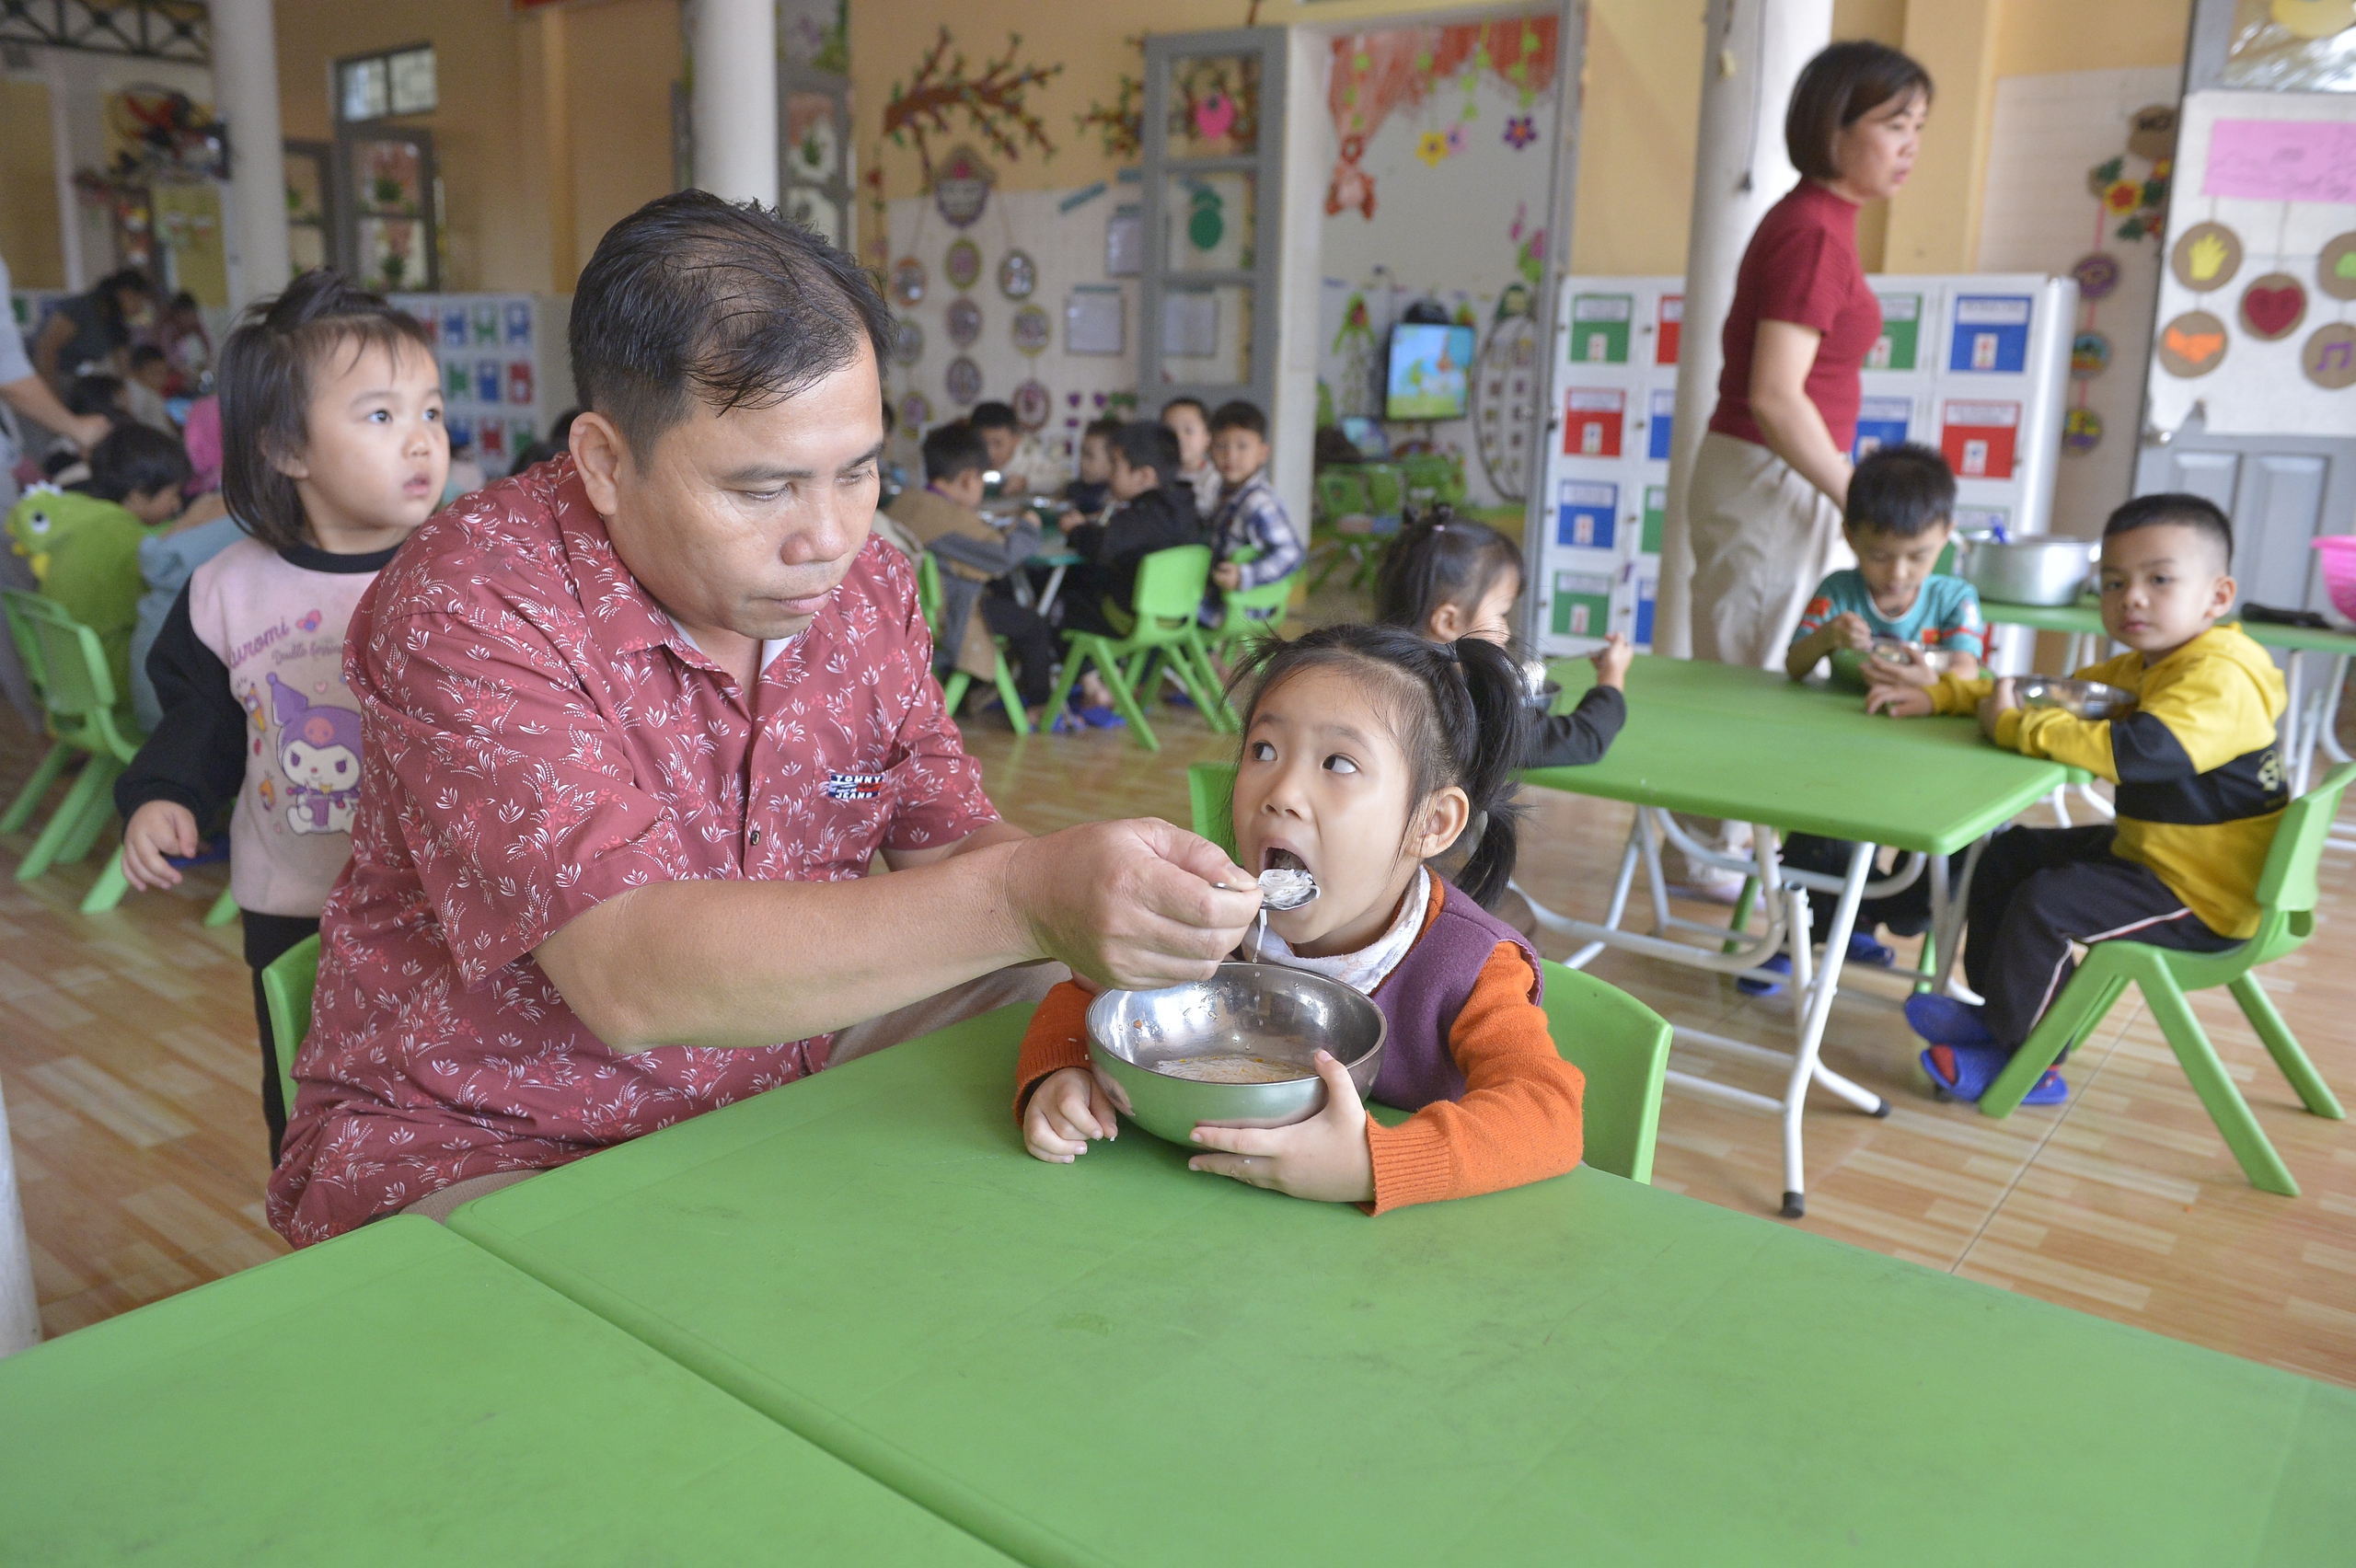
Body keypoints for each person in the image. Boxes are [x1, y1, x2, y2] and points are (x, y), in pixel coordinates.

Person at [265, 192, 1261, 1243]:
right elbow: (629, 971)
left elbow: (951, 839)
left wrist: (1122, 910)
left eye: (861, 471)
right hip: (499, 1133)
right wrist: (1029, 894)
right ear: (606, 462)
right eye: (764, 488)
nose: (828, 538)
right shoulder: (471, 597)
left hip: (786, 1059)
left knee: (1070, 1001)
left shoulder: (870, 585)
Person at [1017, 623, 1586, 1212]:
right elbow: (1087, 996)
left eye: (1338, 763)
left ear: (1432, 823)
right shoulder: (1211, 916)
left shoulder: (1470, 970)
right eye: (1264, 750)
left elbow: (1548, 1111)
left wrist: (1373, 1165)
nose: (1282, 790)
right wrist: (1062, 1071)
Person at [114, 270, 450, 1164]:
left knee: (442, 1096)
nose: (420, 441)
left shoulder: (463, 575)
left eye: (432, 413)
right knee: (308, 1098)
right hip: (293, 903)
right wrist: (164, 793)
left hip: (442, 902)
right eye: (380, 416)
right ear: (287, 448)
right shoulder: (230, 589)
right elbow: (202, 719)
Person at [1866, 495, 2284, 1105]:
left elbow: (2139, 751)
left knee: (2048, 904)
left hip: (2205, 895)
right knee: (2010, 855)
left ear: (2217, 597)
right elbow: (2047, 695)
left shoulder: (2220, 673)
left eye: (2158, 579)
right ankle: (2004, 1015)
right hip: (2163, 857)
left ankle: (2032, 1062)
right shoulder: (2154, 664)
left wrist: (2010, 727)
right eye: (2114, 582)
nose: (2131, 597)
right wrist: (1948, 694)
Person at [1678, 40, 1931, 898]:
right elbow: (1778, 396)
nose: (1911, 145)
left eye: (1920, 127)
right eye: (1895, 124)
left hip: (1775, 476)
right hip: (1766, 474)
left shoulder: (1823, 225)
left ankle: (1736, 858)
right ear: (1835, 126)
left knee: (1761, 664)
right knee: (1753, 676)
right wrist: (1864, 501)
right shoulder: (1815, 233)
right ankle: (1728, 867)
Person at [1744, 444, 1981, 994]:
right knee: (1814, 835)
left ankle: (1869, 918)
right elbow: (1795, 665)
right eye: (1879, 555)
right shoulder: (1839, 592)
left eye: (1917, 556)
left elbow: (1967, 672)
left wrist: (1929, 678)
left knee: (1950, 845)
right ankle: (1794, 939)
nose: (1898, 573)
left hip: (1927, 755)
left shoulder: (1953, 598)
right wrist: (1827, 638)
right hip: (1838, 750)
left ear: (1946, 533)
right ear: (1850, 537)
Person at [1375, 512, 1628, 770]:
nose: (1506, 631)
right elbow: (1582, 740)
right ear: (1448, 622)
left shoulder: (1371, 671)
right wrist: (1611, 679)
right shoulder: (1471, 709)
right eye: (1502, 614)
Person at [6, 423, 189, 717]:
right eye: (174, 493)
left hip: (72, 681)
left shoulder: (86, 522)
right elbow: (156, 609)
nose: (177, 503)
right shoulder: (121, 537)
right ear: (139, 493)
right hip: (115, 680)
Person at [884, 420, 1058, 723]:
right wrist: (1029, 527)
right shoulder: (950, 520)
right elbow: (1003, 556)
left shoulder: (906, 501)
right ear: (968, 479)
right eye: (981, 481)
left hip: (902, 613)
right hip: (947, 615)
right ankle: (1039, 704)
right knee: (1031, 624)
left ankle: (975, 691)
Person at [1057, 421, 1203, 640]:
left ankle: (1089, 672)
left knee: (1068, 603)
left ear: (1144, 476)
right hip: (1179, 615)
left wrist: (1075, 530)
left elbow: (1102, 546)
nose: (1110, 475)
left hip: (1133, 617)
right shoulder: (1183, 505)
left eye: (1115, 465)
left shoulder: (1148, 513)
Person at [1201, 399, 1302, 621]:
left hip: (1245, 603)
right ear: (1209, 450)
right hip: (1223, 595)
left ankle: (1207, 656)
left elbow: (1292, 553)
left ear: (1263, 453)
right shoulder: (1222, 491)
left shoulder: (1258, 501)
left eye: (1242, 446)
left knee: (1171, 612)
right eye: (1221, 446)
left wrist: (1245, 575)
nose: (1230, 455)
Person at [31, 268, 157, 391]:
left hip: (66, 376)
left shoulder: (116, 325)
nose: (140, 308)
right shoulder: (82, 307)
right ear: (126, 294)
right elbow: (46, 347)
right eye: (140, 301)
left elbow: (125, 369)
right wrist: (50, 391)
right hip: (36, 372)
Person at [968, 399, 1062, 496]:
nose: (989, 452)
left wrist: (1025, 482)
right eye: (982, 443)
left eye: (998, 443)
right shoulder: (967, 459)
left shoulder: (1031, 456)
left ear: (1016, 438)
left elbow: (1057, 480)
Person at [1161, 396, 1220, 520]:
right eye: (1170, 432)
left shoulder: (1215, 479)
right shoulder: (1157, 475)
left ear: (1207, 437)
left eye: (1188, 430)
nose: (1179, 438)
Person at [1063, 415, 1120, 520]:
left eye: (1089, 455)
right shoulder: (1075, 490)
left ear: (1114, 460)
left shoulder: (1116, 498)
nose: (1082, 462)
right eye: (1082, 454)